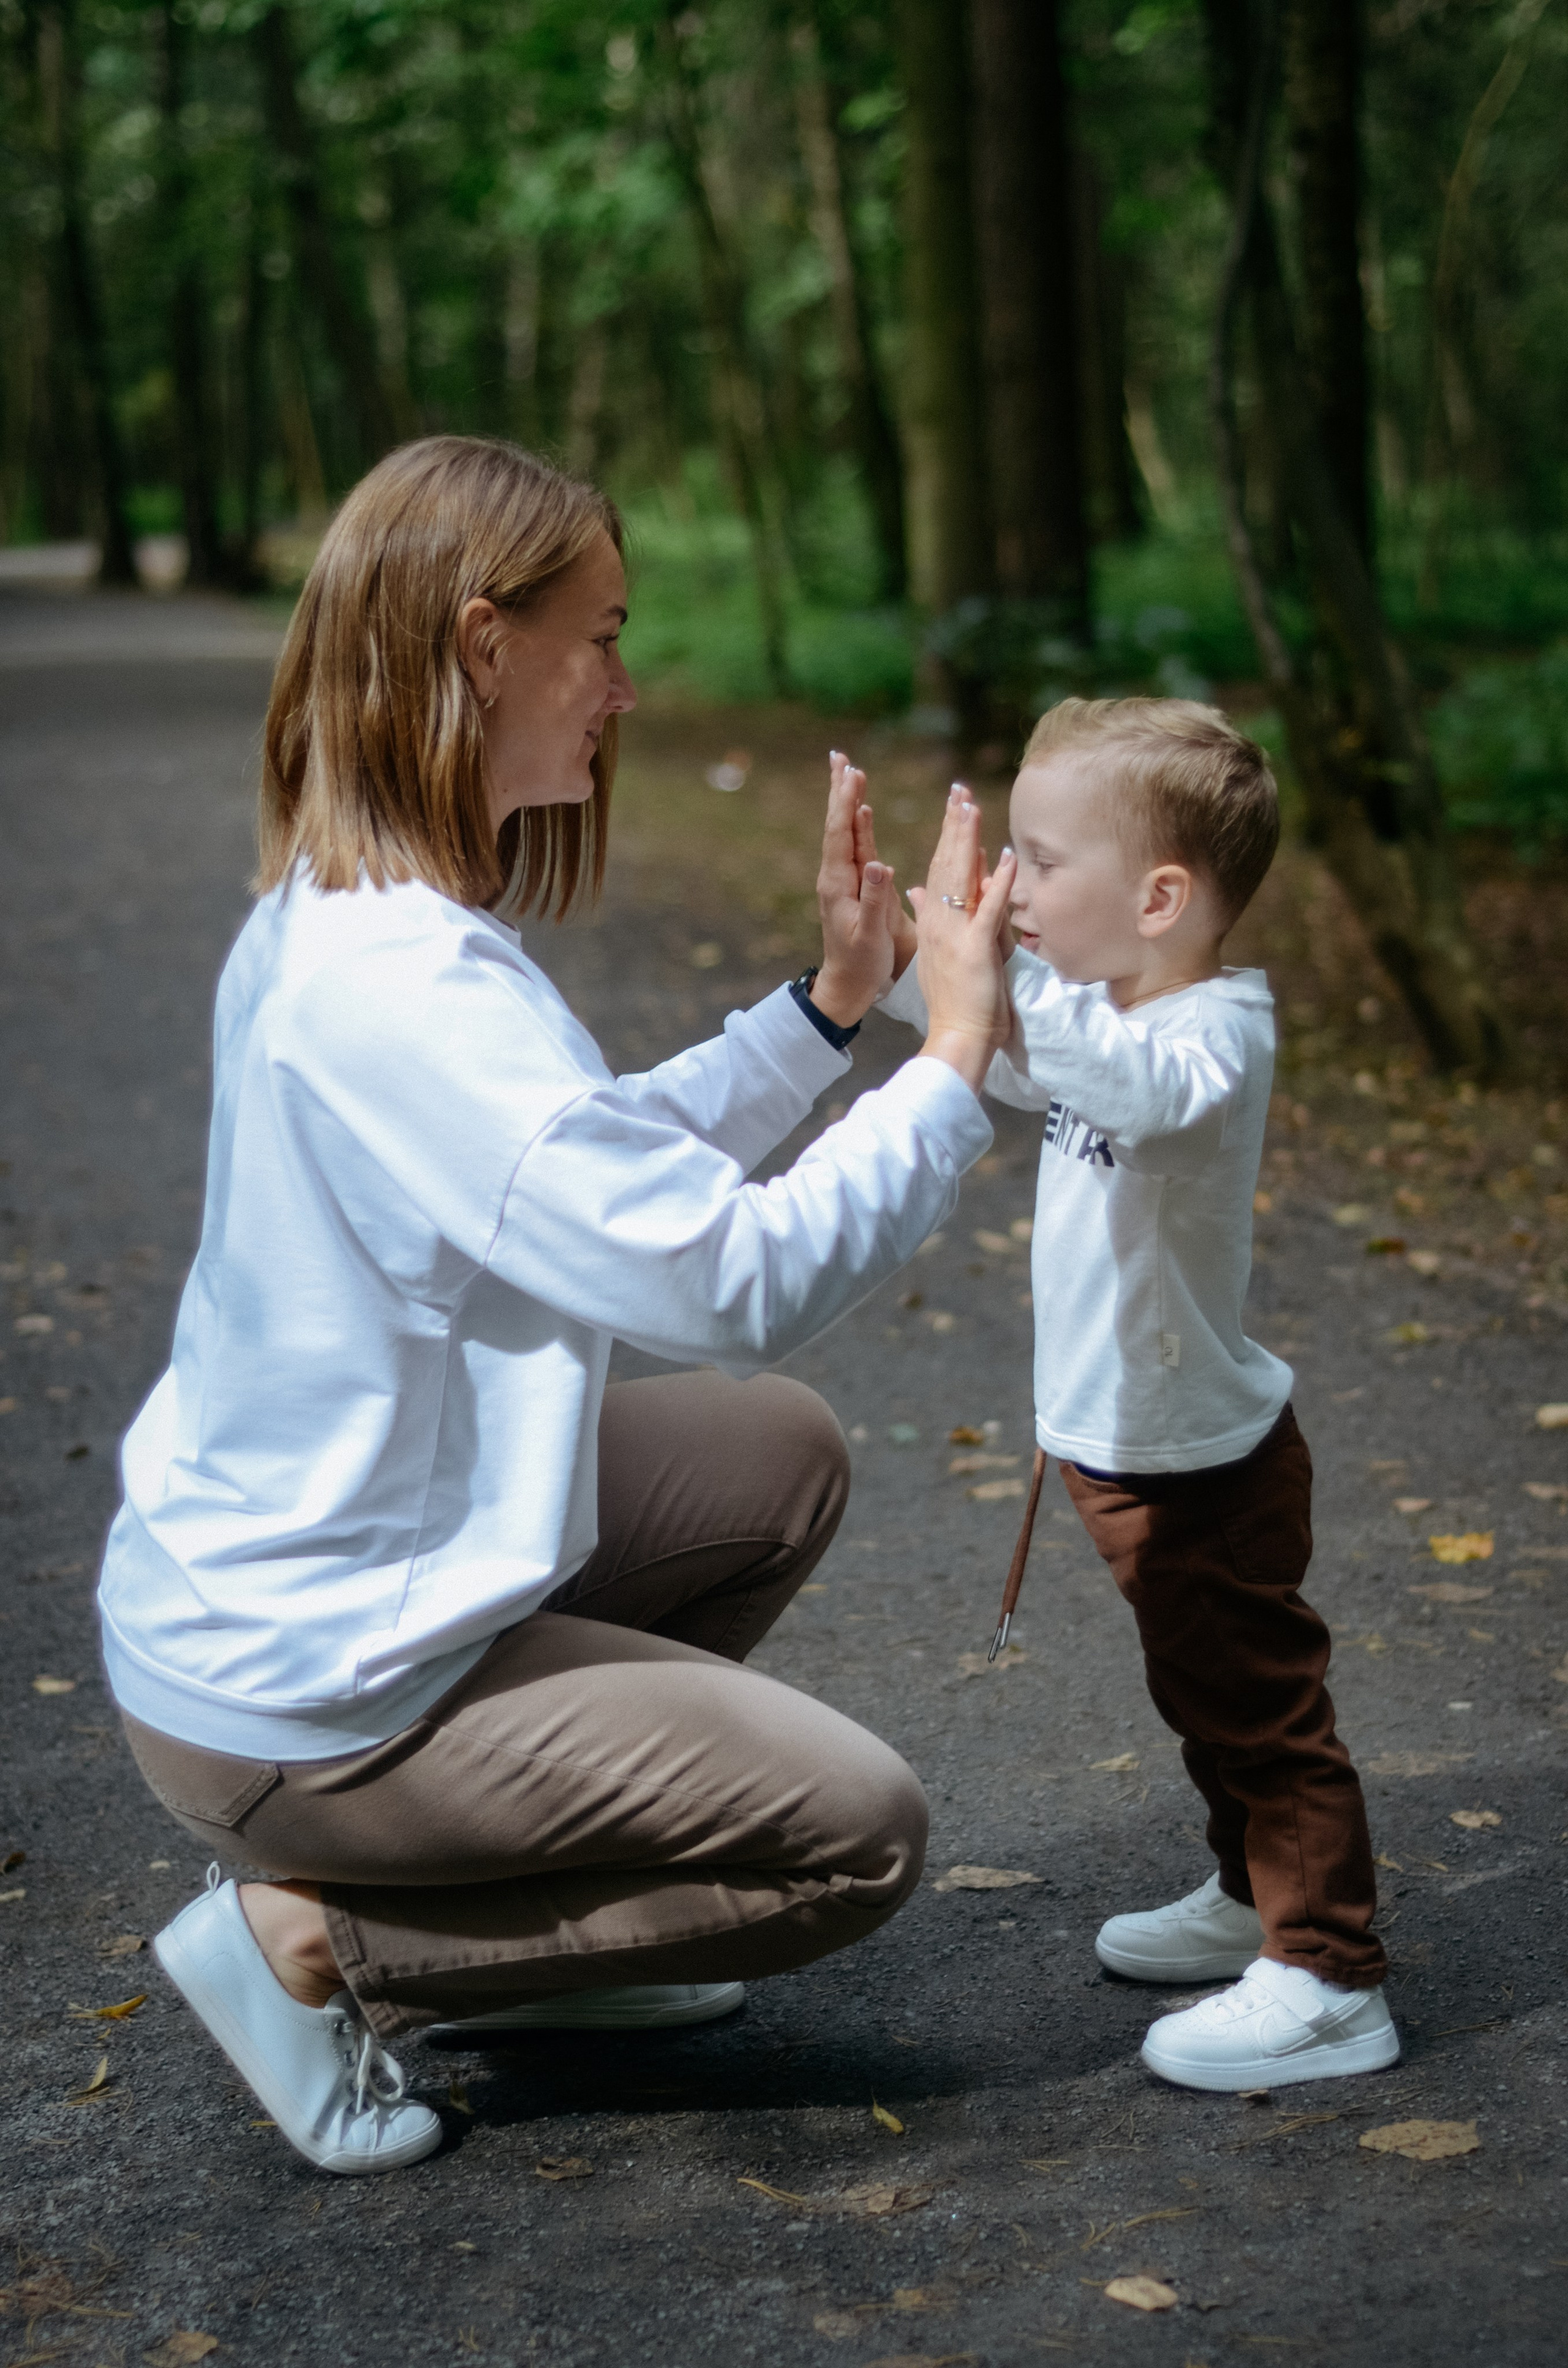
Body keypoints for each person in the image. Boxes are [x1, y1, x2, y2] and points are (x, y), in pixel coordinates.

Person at [100, 434, 1017, 2177]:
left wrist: (830, 1011)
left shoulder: (355, 910)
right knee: (855, 1836)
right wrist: (951, 1062)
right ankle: (317, 1941)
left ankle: (535, 1931)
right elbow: (723, 1276)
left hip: (305, 1595)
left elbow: (578, 1169)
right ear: (478, 645)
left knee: (775, 1458)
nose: (625, 683)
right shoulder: (407, 992)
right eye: (596, 636)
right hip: (302, 1692)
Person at [875, 695, 1396, 2092]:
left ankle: (1330, 1973)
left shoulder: (1207, 1040)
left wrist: (994, 972)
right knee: (1200, 1694)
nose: (1012, 890)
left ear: (1160, 897)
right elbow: (1008, 1061)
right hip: (1126, 1451)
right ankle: (1249, 1894)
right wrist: (893, 963)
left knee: (1261, 1713)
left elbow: (1108, 1079)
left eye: (1041, 863)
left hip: (1202, 1465)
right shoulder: (1114, 1017)